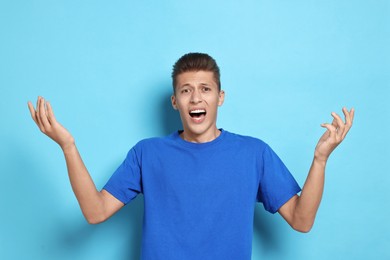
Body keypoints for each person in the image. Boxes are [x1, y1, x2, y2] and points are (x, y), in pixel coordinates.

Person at [28, 53, 354, 260]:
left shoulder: (253, 153)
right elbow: (95, 212)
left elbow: (301, 220)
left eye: (205, 88)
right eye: (186, 90)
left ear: (220, 97)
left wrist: (320, 159)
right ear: (175, 102)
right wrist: (68, 145)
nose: (195, 97)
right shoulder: (148, 153)